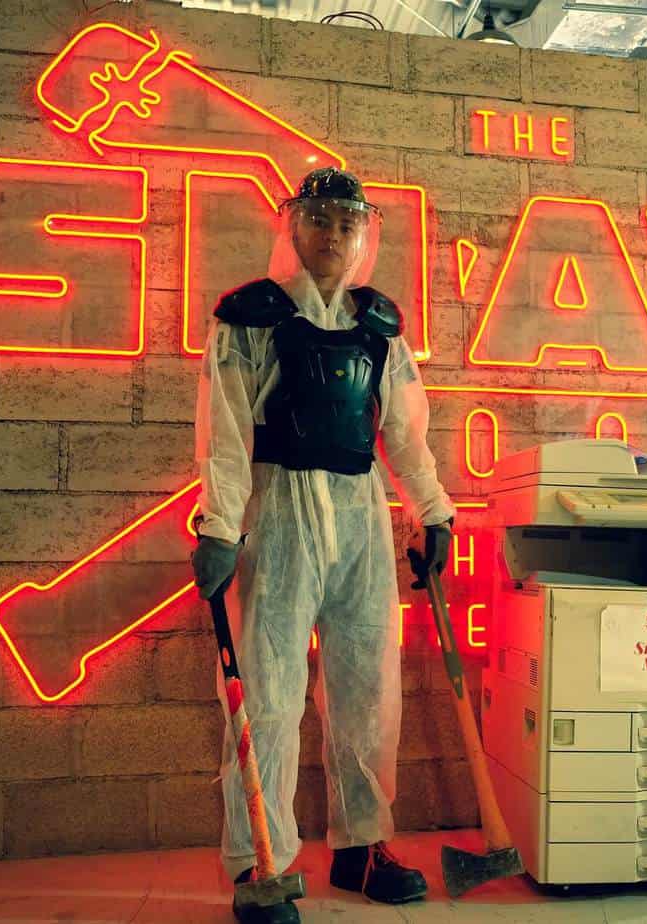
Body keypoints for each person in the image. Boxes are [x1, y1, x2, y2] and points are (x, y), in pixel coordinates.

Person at [191, 167, 455, 924]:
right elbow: (226, 431)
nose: (333, 234)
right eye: (318, 219)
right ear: (292, 226)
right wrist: (219, 525)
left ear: (362, 233)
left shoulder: (379, 326)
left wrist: (432, 511)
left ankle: (362, 845)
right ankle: (261, 860)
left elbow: (404, 430)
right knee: (267, 696)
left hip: (359, 512)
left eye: (347, 222)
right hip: (278, 512)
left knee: (368, 689)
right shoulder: (250, 317)